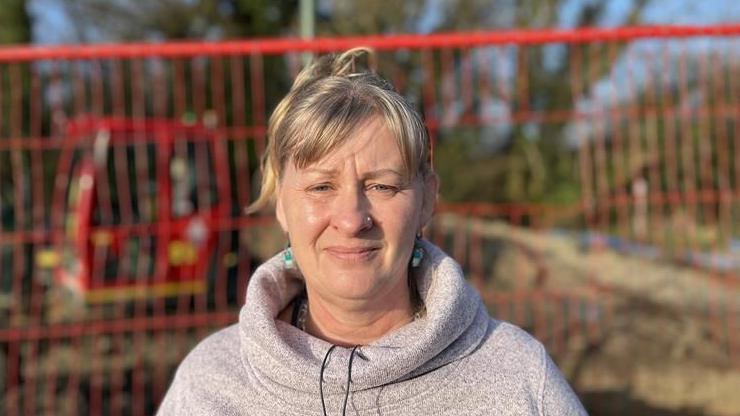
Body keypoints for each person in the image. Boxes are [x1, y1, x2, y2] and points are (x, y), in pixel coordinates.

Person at [157, 48, 587, 416]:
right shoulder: (208, 385)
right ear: (281, 205)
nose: (351, 218)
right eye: (321, 187)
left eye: (382, 186)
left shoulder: (519, 381)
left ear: (426, 199)